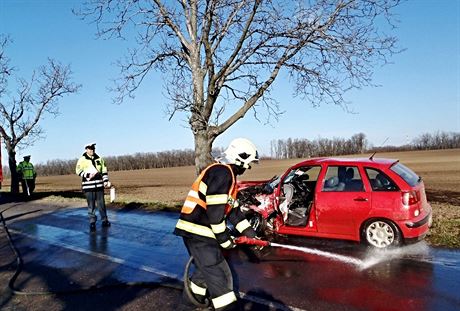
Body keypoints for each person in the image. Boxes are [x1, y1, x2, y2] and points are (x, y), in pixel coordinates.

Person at [174, 138, 259, 311]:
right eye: (248, 164)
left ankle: (189, 304)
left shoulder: (227, 176)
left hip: (197, 232)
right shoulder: (222, 173)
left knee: (204, 272)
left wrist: (250, 233)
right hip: (198, 232)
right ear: (240, 159)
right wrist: (224, 239)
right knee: (218, 272)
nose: (247, 168)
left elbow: (233, 211)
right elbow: (215, 213)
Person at [76, 143, 111, 232]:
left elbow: (104, 170)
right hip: (88, 186)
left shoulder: (99, 159)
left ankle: (104, 220)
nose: (92, 150)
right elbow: (78, 170)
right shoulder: (82, 159)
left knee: (101, 204)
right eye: (90, 149)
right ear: (86, 149)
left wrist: (106, 180)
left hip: (99, 185)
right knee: (91, 205)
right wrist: (87, 174)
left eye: (93, 148)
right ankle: (92, 222)